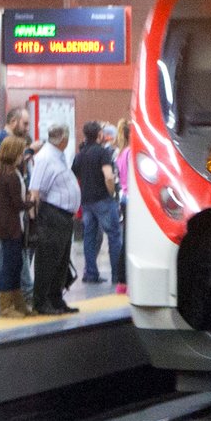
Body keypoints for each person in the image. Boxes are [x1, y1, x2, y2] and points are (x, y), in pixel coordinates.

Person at [29, 123, 81, 315]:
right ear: (64, 139)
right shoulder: (45, 157)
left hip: (63, 217)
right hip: (51, 216)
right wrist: (34, 222)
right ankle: (41, 302)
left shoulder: (56, 156)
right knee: (48, 261)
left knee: (61, 261)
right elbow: (35, 190)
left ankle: (56, 299)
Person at [72, 120, 121, 286]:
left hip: (86, 201)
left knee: (89, 237)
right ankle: (117, 275)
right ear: (99, 134)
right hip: (103, 199)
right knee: (114, 236)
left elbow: (74, 174)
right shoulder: (102, 153)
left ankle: (91, 274)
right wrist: (112, 192)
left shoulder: (81, 154)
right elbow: (108, 175)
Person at [0, 135, 29, 317]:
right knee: (11, 265)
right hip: (11, 226)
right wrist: (34, 202)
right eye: (21, 152)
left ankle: (16, 302)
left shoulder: (0, 172)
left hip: (3, 224)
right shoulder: (11, 175)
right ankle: (5, 306)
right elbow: (18, 204)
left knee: (15, 262)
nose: (22, 155)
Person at [113, 118, 131, 293]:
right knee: (131, 242)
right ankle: (125, 279)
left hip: (124, 197)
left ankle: (122, 281)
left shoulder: (120, 153)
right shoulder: (132, 153)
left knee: (126, 239)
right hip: (133, 199)